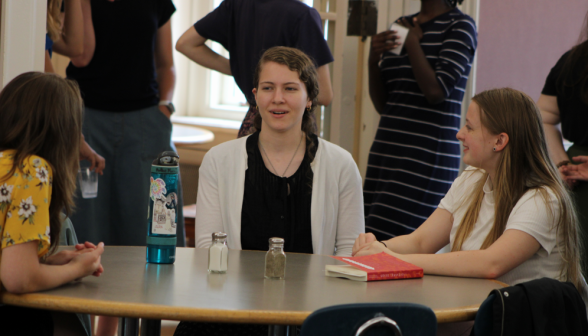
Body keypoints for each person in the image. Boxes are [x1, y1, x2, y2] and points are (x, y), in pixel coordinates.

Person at [174, 47, 364, 336]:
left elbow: (350, 254)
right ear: (255, 96)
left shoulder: (340, 164)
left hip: (311, 314)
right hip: (233, 311)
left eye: (290, 88)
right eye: (268, 88)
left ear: (309, 98)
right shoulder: (219, 160)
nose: (278, 98)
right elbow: (207, 252)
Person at [354, 88, 583, 296]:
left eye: (470, 127)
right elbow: (421, 242)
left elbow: (490, 264)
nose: (459, 134)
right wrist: (378, 248)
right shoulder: (471, 179)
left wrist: (393, 260)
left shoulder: (543, 199)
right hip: (482, 316)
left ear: (500, 141)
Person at [65, 1, 181, 334]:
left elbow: (166, 65)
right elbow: (76, 54)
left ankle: (126, 328)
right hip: (84, 119)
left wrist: (165, 107)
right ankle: (82, 328)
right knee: (84, 231)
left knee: (144, 231)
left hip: (145, 121)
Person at [0, 72, 105, 336]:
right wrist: (76, 269)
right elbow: (18, 279)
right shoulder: (31, 169)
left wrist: (47, 264)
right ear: (60, 132)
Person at [363, 0, 477, 241]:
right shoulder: (402, 25)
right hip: (387, 152)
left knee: (395, 245)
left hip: (425, 157)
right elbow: (385, 104)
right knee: (369, 235)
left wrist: (413, 43)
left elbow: (436, 92)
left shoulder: (460, 26)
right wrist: (373, 61)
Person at [175, 0, 334, 137]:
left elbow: (186, 44)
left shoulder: (236, 5)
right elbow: (324, 94)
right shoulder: (303, 15)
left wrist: (240, 69)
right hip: (290, 129)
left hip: (251, 126)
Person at [539, 16, 588, 275]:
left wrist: (561, 162)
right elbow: (543, 117)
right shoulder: (573, 62)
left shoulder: (572, 60)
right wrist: (561, 162)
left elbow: (543, 117)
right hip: (577, 188)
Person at [45, 0, 105, 174]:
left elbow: (75, 47)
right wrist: (75, 137)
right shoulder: (26, 12)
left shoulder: (43, 16)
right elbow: (50, 84)